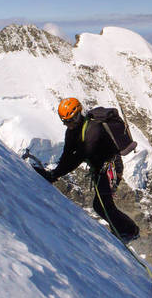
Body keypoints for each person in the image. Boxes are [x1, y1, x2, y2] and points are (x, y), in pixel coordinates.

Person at [44, 97, 139, 242]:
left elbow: (78, 157)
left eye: (72, 120)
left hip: (110, 168)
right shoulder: (72, 132)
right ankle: (123, 230)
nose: (69, 124)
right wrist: (54, 173)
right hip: (101, 168)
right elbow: (67, 155)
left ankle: (129, 231)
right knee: (102, 204)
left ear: (78, 114)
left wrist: (54, 175)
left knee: (101, 204)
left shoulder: (93, 130)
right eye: (66, 121)